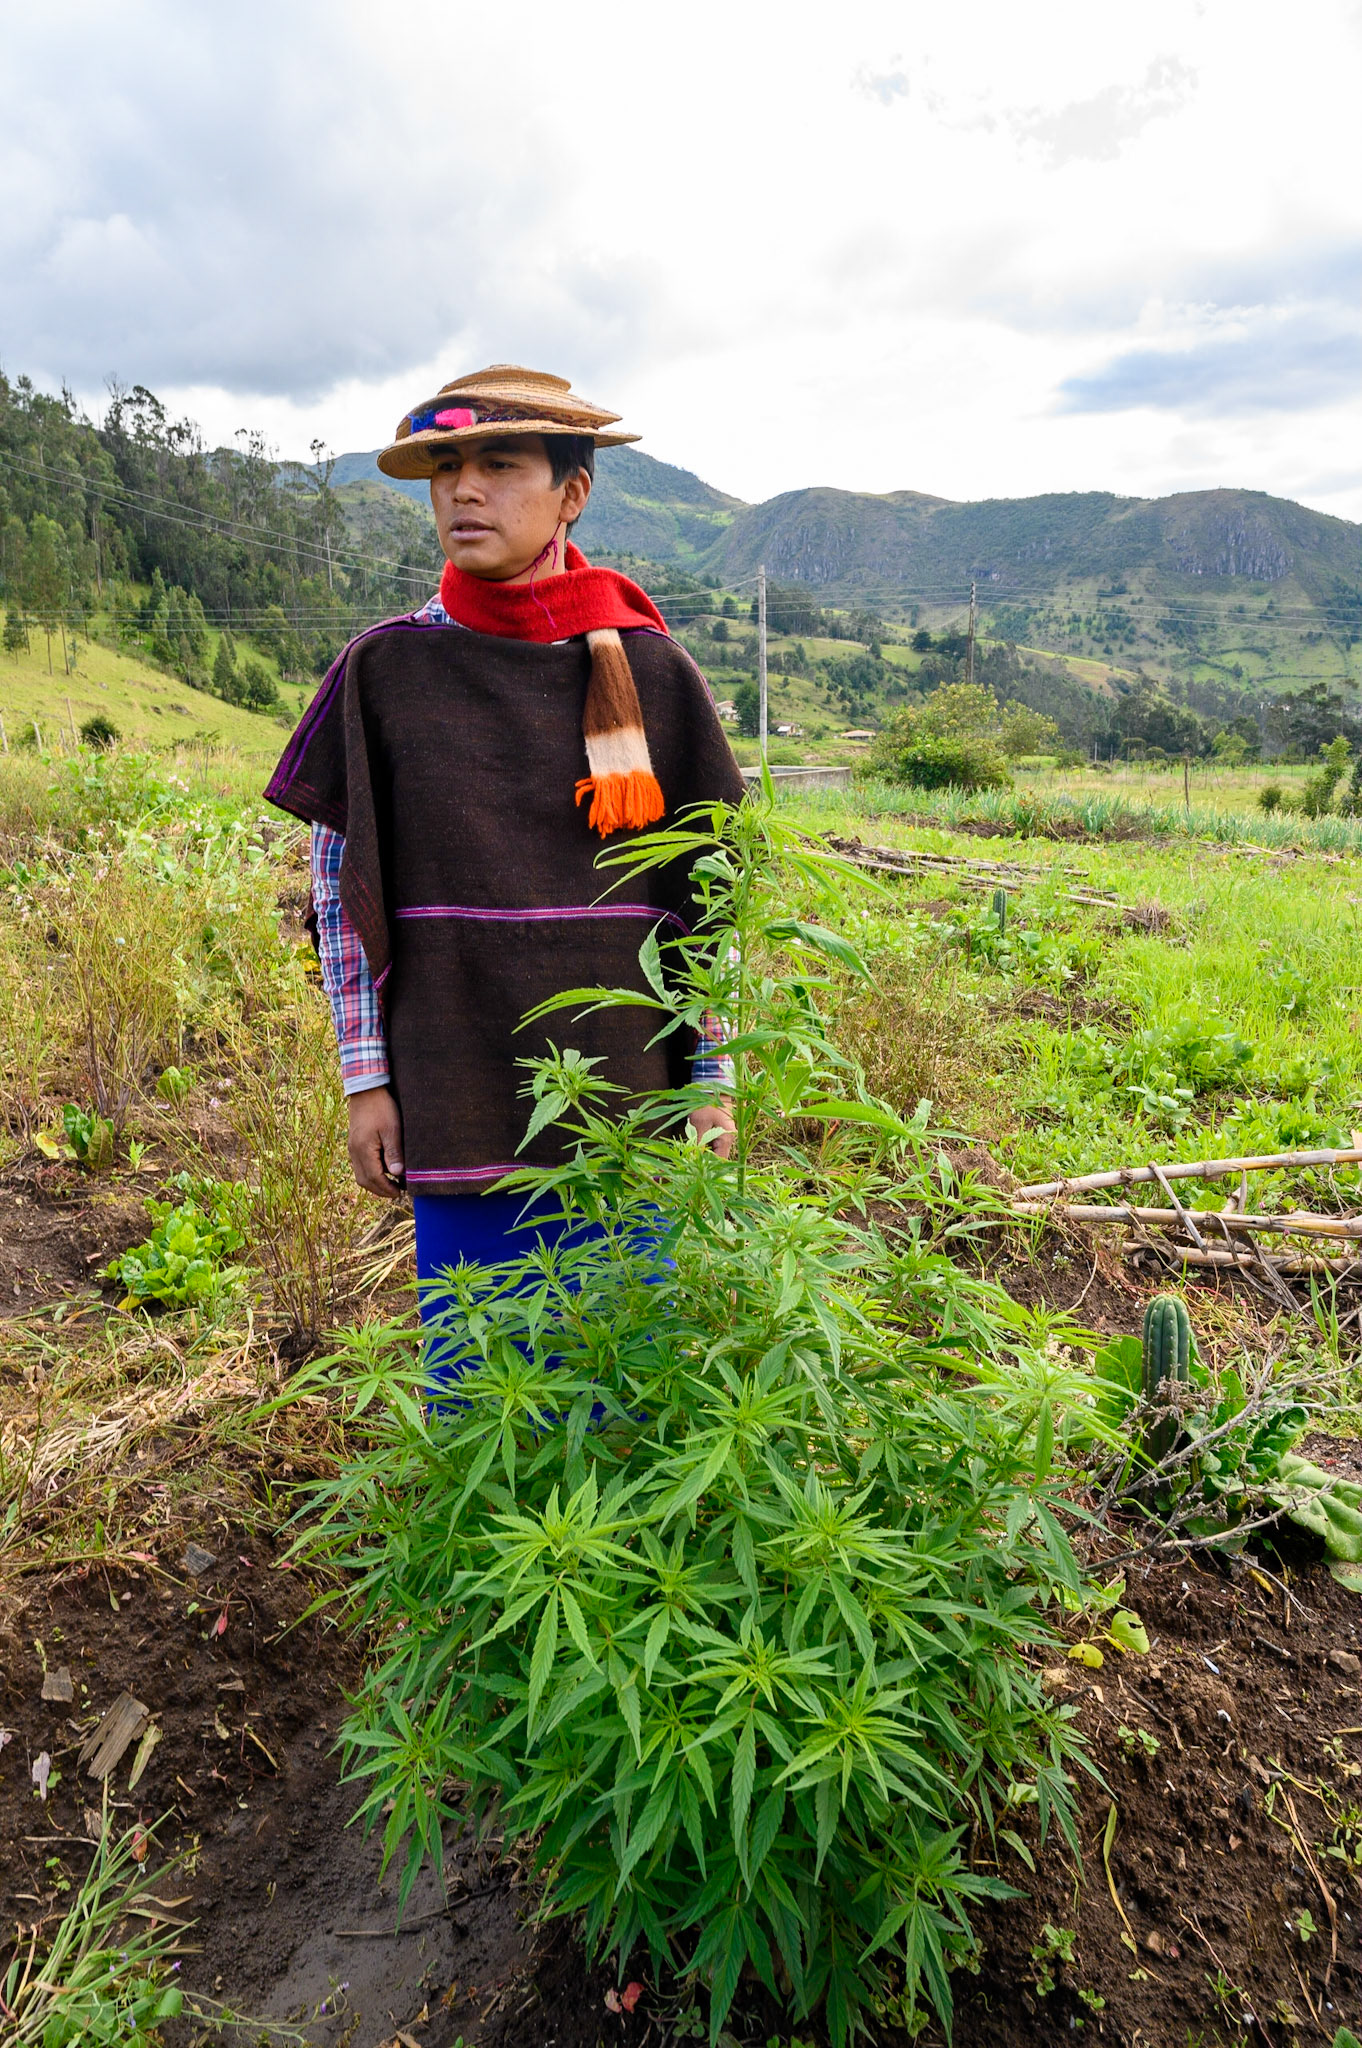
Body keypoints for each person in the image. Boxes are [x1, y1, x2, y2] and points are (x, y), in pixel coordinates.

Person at [265, 363, 745, 1305]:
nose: (464, 489)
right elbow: (339, 895)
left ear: (573, 493)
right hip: (458, 1093)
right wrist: (366, 1079)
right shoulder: (385, 674)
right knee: (481, 1383)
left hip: (631, 1105)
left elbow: (712, 910)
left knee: (625, 1390)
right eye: (446, 468)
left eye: (501, 464)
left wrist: (713, 1081)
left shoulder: (655, 678)